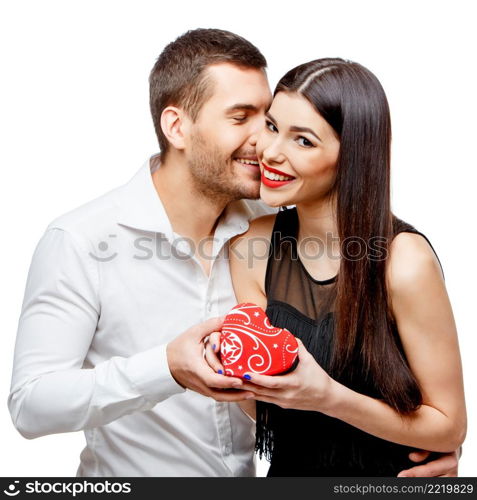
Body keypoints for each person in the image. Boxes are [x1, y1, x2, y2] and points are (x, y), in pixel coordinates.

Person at [8, 29, 460, 477]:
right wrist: (165, 368)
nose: (266, 145)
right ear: (177, 126)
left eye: (268, 119)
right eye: (242, 117)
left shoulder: (272, 222)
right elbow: (31, 405)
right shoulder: (82, 240)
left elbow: (338, 389)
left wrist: (418, 444)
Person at [205, 58, 466, 476]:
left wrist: (328, 396)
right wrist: (231, 370)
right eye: (272, 127)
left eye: (303, 141)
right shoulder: (253, 246)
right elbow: (269, 404)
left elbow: (449, 427)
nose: (270, 153)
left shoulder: (404, 262)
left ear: (352, 156)